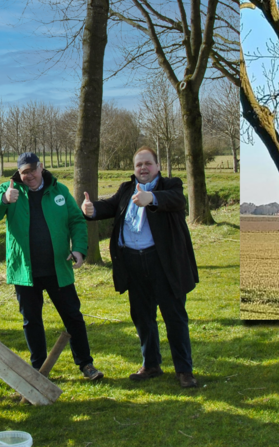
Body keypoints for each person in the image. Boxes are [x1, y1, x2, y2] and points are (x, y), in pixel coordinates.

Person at [80, 147, 199, 388]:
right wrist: (91, 210)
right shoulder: (126, 189)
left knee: (174, 317)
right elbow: (111, 206)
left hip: (163, 264)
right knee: (143, 317)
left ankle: (184, 370)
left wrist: (151, 199)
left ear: (157, 166)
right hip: (133, 264)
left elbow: (177, 200)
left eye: (147, 163)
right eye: (138, 165)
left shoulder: (170, 185)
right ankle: (151, 365)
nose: (143, 168)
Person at [0, 152, 103, 381]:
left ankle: (87, 365)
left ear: (41, 167)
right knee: (32, 321)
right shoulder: (9, 189)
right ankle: (39, 370)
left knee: (73, 317)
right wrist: (4, 199)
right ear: (18, 174)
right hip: (25, 271)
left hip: (58, 268)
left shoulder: (59, 190)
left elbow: (76, 221)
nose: (29, 176)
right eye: (23, 172)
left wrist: (79, 248)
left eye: (32, 170)